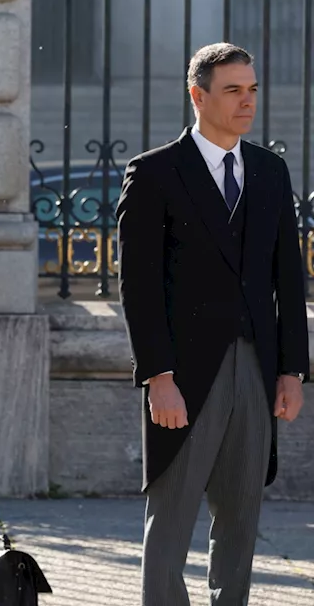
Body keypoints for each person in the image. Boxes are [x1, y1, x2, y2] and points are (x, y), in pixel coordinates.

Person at [117, 42, 307, 606]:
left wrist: (292, 370)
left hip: (256, 368)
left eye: (252, 90)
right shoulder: (152, 173)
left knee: (242, 518)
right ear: (197, 96)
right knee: (171, 523)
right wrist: (158, 377)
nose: (247, 101)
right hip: (184, 374)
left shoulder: (272, 172)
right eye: (233, 90)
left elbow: (289, 281)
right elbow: (138, 286)